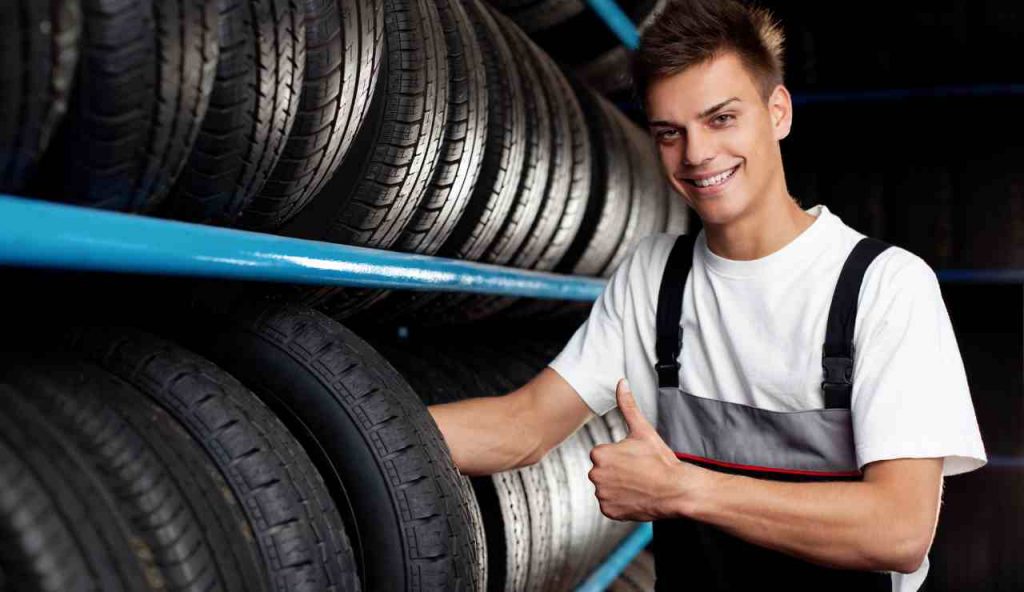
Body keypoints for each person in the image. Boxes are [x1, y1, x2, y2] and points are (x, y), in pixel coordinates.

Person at [428, 0, 988, 589]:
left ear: (777, 112)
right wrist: (358, 424)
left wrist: (683, 489)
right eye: (671, 133)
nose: (696, 155)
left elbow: (897, 531)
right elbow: (524, 426)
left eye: (721, 119)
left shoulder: (886, 285)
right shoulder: (654, 278)